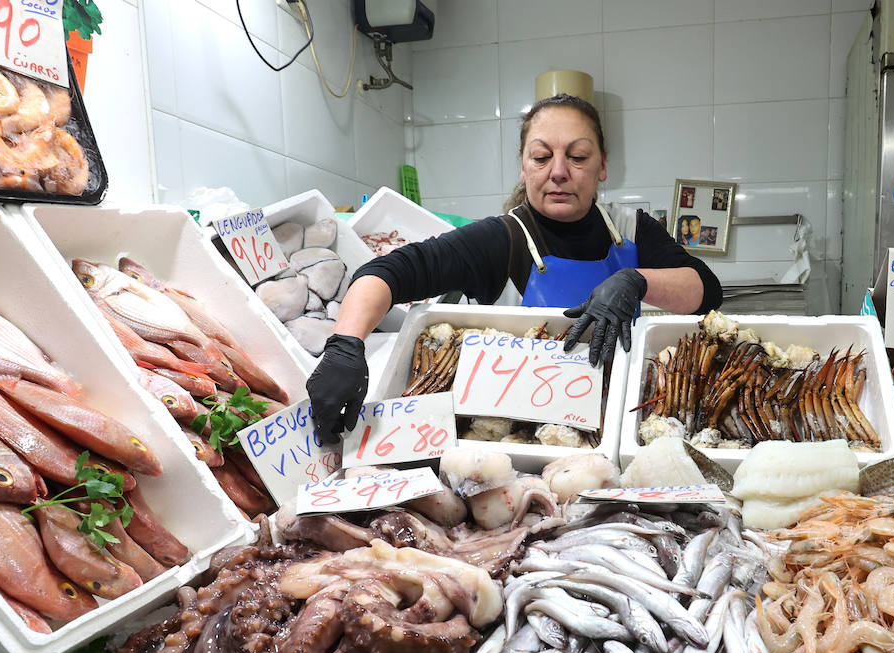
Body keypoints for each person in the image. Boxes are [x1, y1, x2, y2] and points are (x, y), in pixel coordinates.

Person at [305, 93, 723, 445]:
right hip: (519, 439)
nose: (559, 171)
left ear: (603, 166)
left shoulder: (632, 229)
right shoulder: (501, 240)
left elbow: (706, 291)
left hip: (617, 423)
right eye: (542, 157)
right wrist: (346, 346)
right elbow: (385, 273)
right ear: (524, 166)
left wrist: (638, 278)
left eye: (577, 156)